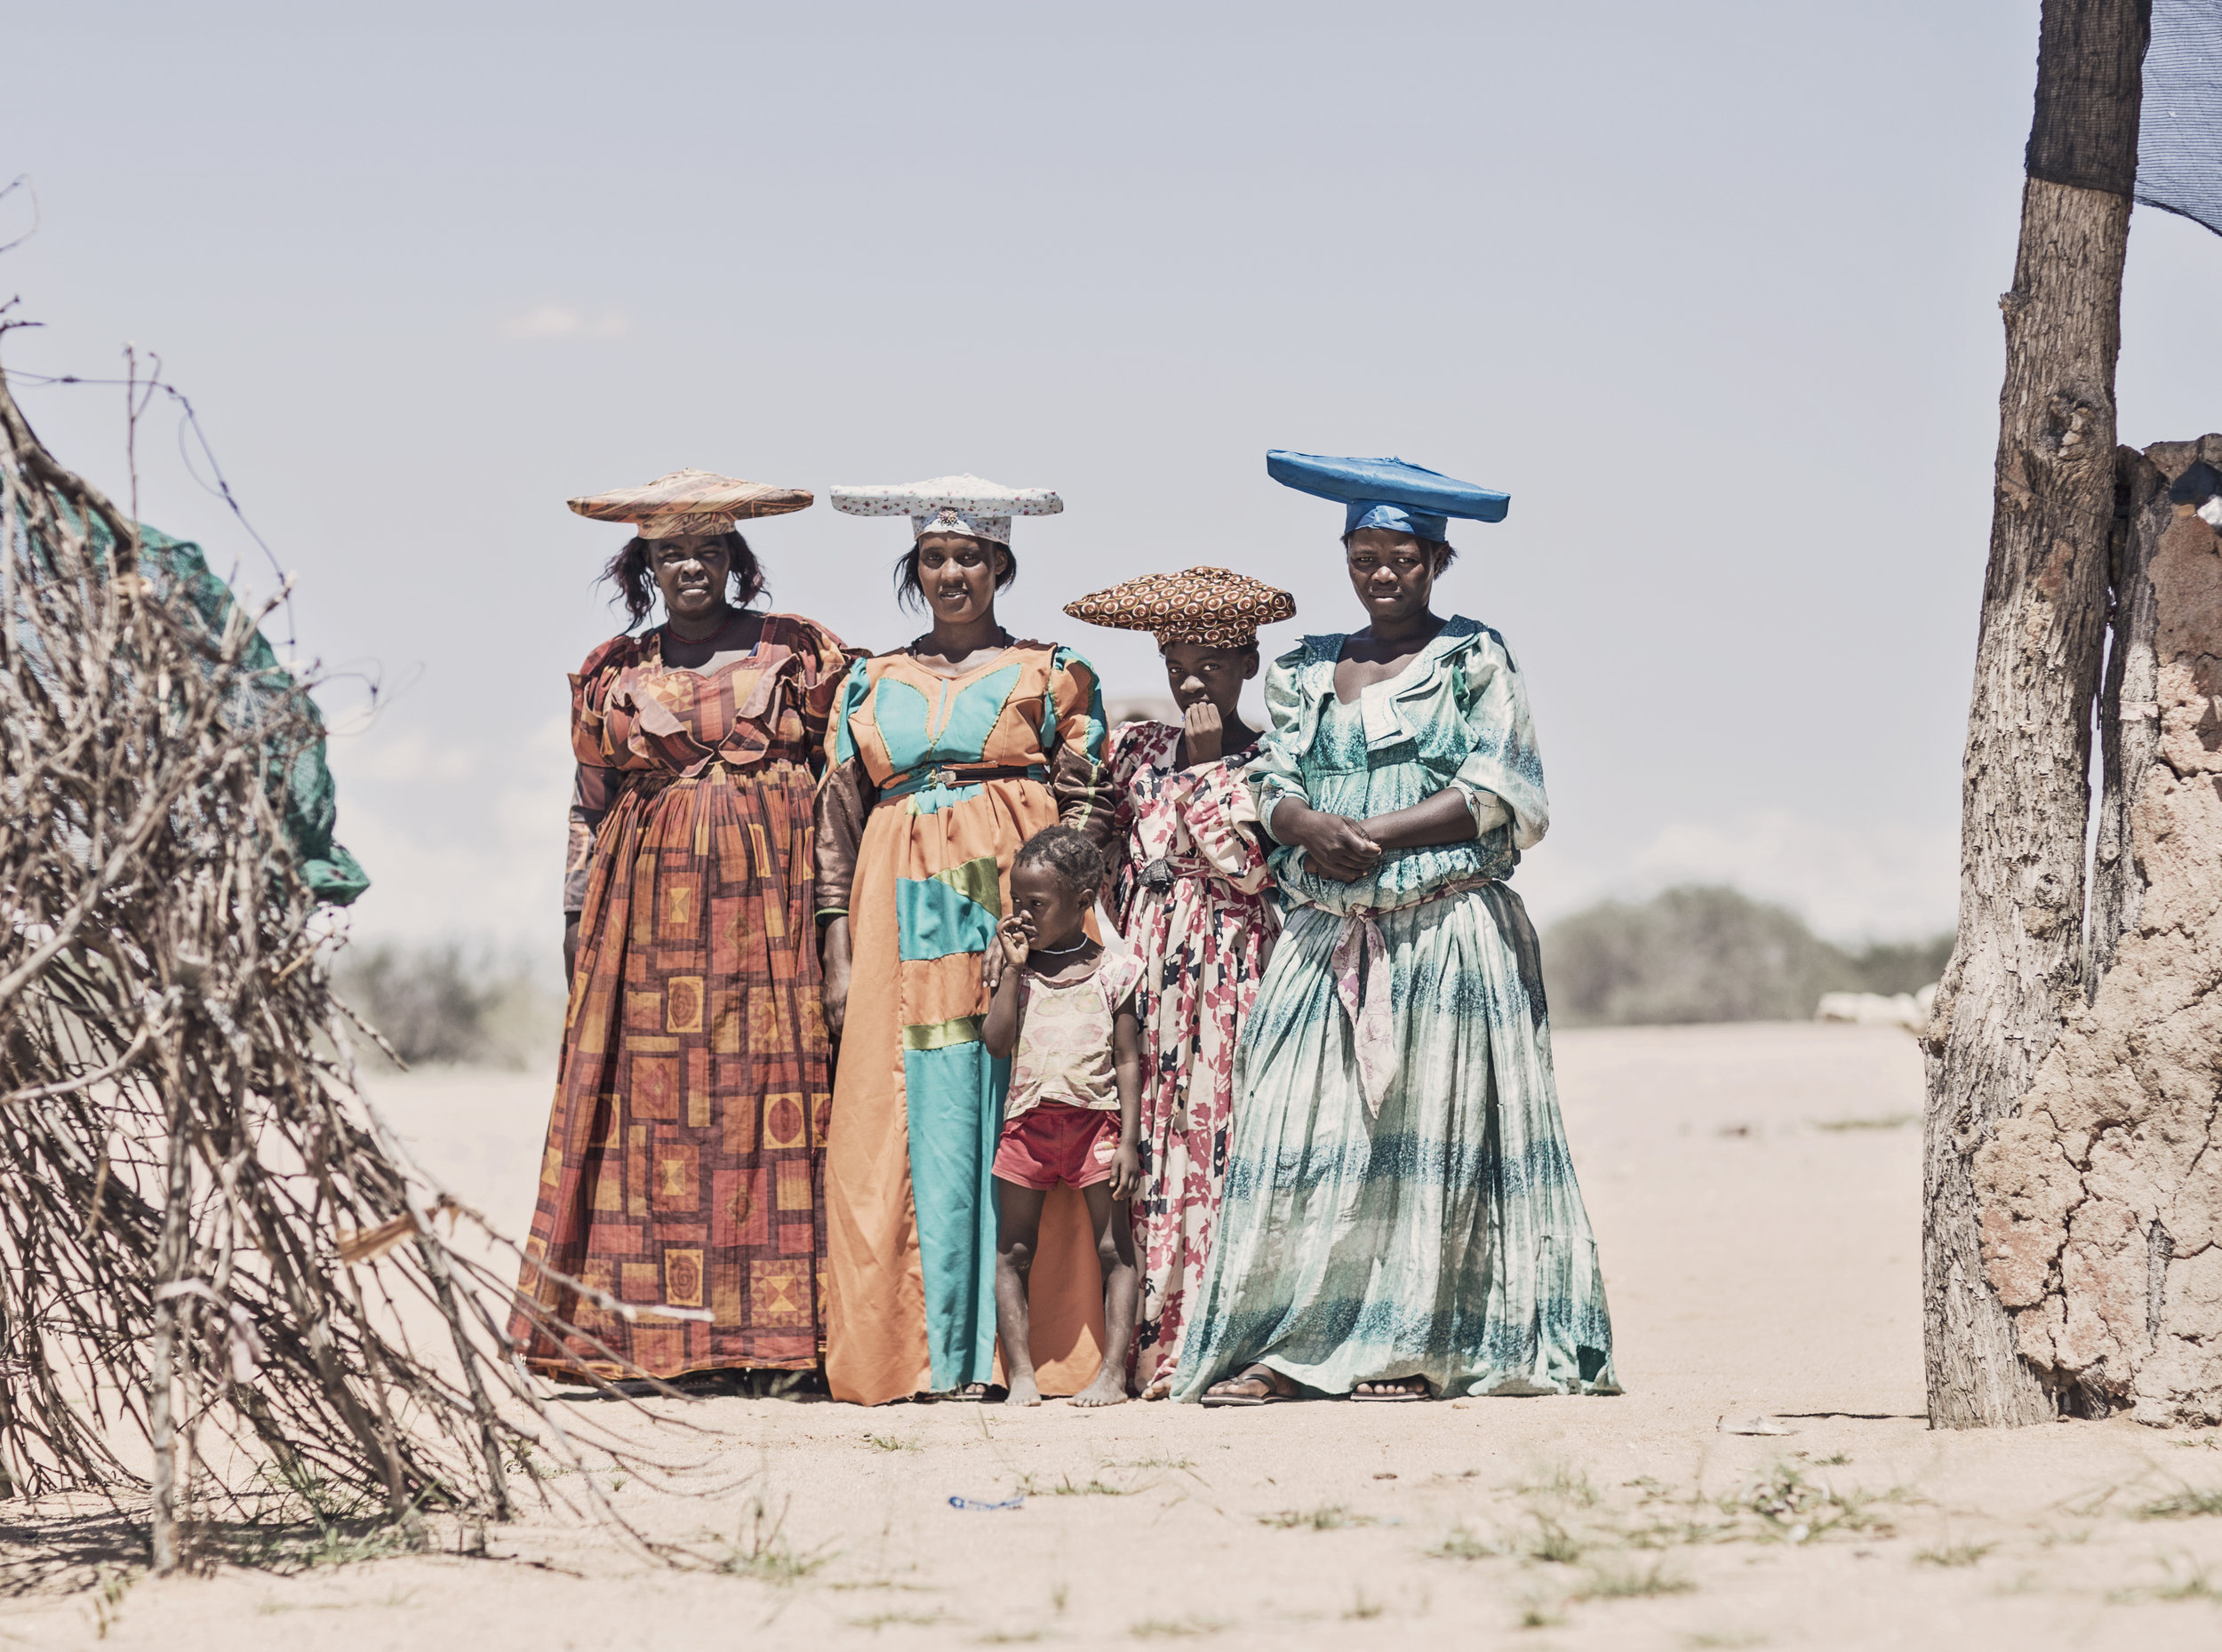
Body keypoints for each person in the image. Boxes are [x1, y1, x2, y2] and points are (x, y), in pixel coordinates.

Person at [1174, 452, 1619, 1406]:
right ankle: (1286, 1344)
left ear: (1435, 562)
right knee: (1298, 1136)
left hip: (1446, 928)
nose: (1382, 573)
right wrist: (1301, 823)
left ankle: (1416, 1346)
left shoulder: (1475, 658)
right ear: (1345, 557)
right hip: (1324, 931)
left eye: (1403, 557)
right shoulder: (1301, 666)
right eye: (1364, 554)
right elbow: (1269, 776)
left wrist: (1368, 832)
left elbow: (1506, 787)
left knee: (1433, 1142)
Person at [513, 469, 852, 1386]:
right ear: (646, 565)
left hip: (771, 912)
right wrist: (575, 916)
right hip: (648, 922)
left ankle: (784, 1345)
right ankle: (654, 1344)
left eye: (708, 548)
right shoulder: (612, 670)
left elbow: (839, 790)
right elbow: (588, 802)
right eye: (671, 551)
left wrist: (835, 921)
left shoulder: (799, 650)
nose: (691, 565)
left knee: (773, 1111)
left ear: (735, 559)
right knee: (656, 1120)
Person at [815, 475, 1116, 1406]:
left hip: (1016, 900)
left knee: (1022, 1094)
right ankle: (918, 1350)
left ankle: (1018, 1354)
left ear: (1000, 565)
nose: (952, 572)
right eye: (935, 557)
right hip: (893, 910)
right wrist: (835, 946)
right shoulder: (869, 679)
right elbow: (835, 814)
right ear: (915, 567)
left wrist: (1067, 920)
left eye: (971, 557)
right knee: (907, 1109)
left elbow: (1091, 804)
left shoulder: (1050, 670)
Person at [1062, 566, 1295, 1396]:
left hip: (1229, 971)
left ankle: (1214, 1338)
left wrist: (1203, 765)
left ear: (1249, 665)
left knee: (1217, 1144)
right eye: (1177, 665)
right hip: (1147, 972)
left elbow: (1250, 872)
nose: (1192, 681)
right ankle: (1139, 1343)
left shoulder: (1276, 765)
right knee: (1145, 1142)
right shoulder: (1134, 751)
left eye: (1212, 664)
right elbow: (1101, 848)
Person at [981, 826, 1145, 1408]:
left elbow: (1128, 1059)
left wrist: (1128, 1141)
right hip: (1026, 1125)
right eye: (1016, 902)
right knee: (1013, 1251)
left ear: (1082, 903)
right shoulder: (1016, 969)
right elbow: (996, 1043)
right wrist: (1010, 970)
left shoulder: (1115, 972)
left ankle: (1113, 1375)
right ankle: (1022, 1373)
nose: (1023, 915)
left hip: (1094, 1126)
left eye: (1037, 905)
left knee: (1115, 1249)